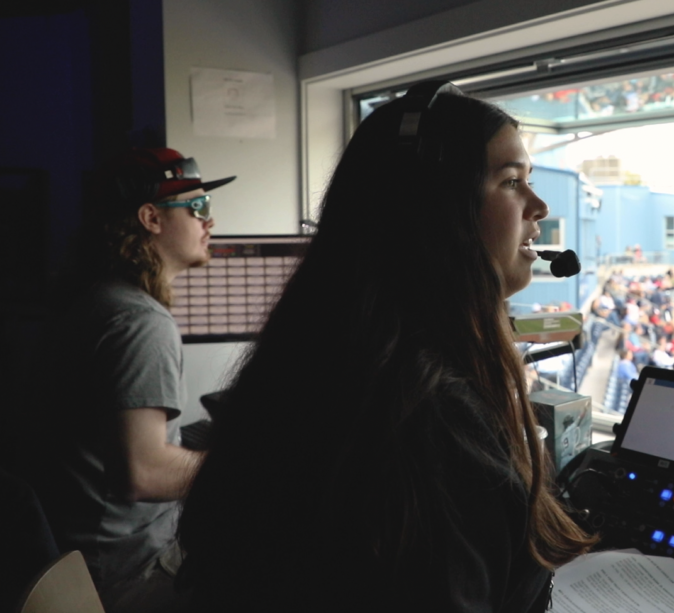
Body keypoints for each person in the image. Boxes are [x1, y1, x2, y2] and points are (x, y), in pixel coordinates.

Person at [175, 83, 595, 612]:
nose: (539, 205)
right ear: (436, 211)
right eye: (511, 182)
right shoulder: (432, 419)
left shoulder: (326, 356)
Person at [17, 147, 231, 613]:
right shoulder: (139, 321)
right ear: (151, 218)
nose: (209, 221)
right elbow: (146, 471)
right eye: (198, 207)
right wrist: (242, 464)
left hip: (77, 556)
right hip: (125, 573)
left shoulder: (94, 299)